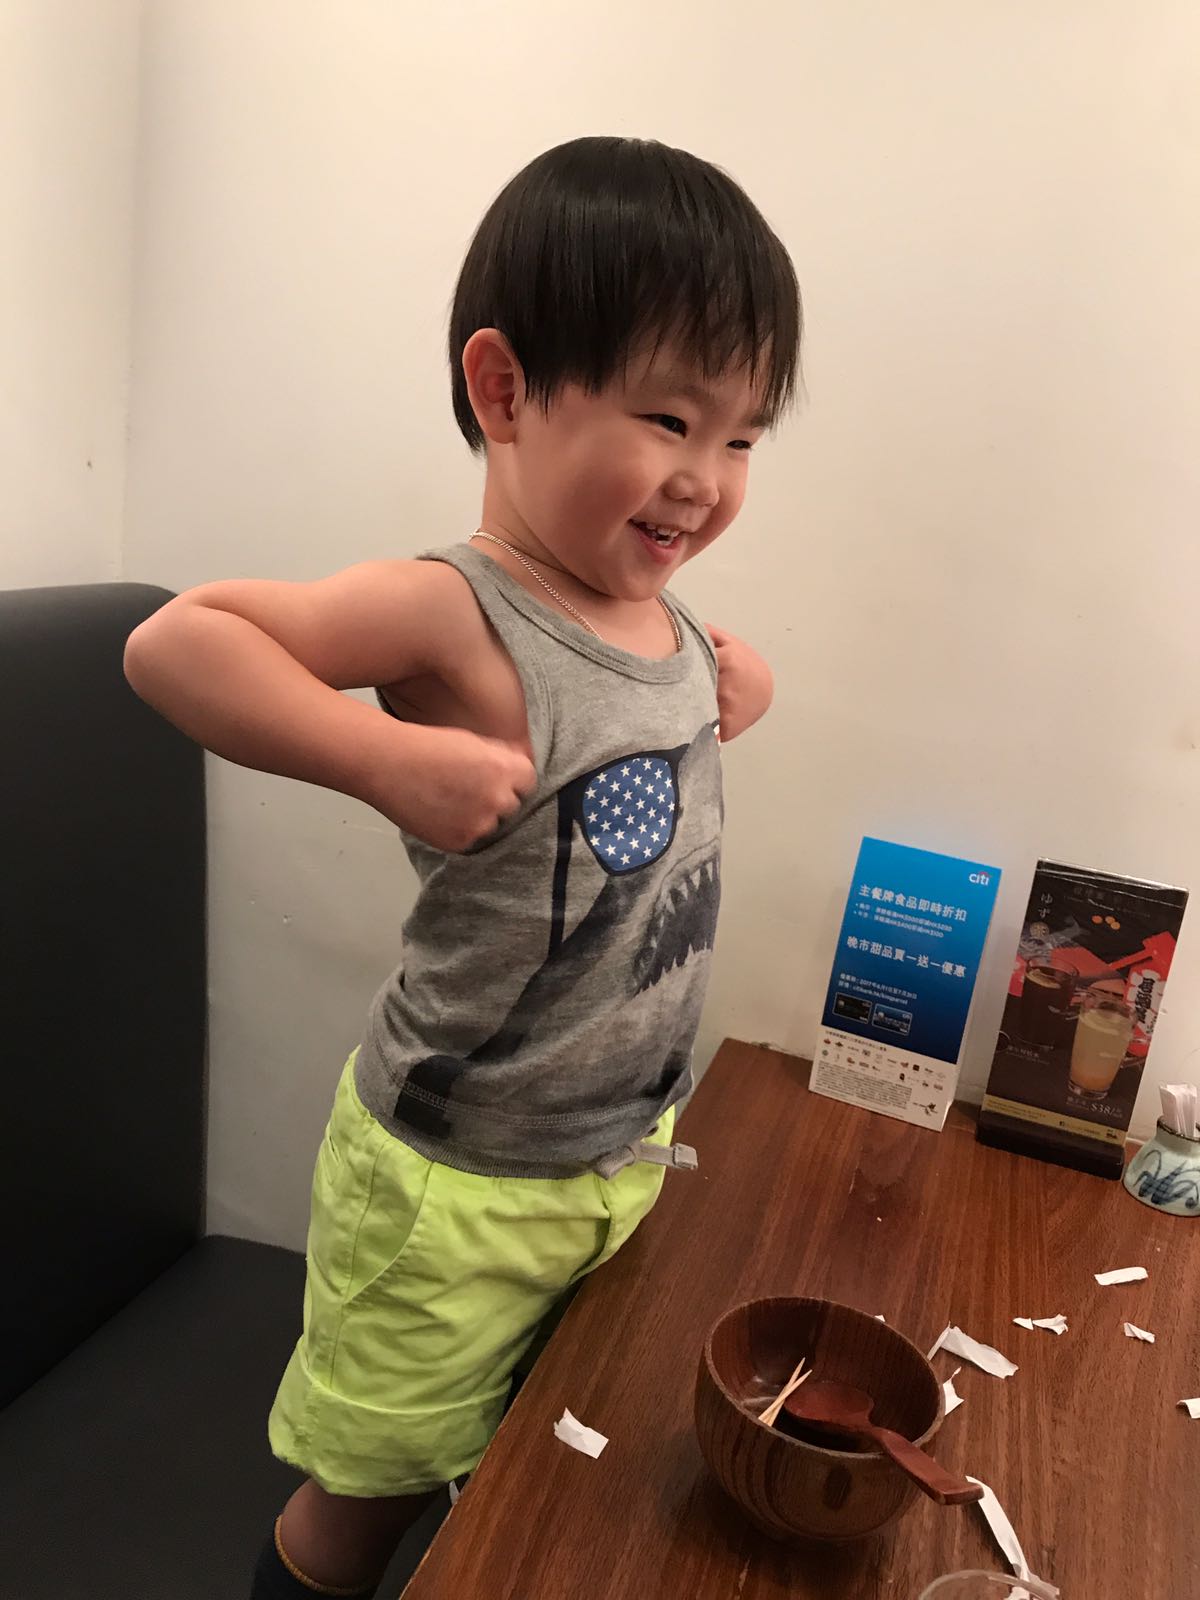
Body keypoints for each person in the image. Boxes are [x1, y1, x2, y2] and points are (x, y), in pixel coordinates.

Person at [124, 134, 802, 1599]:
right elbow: (176, 642)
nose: (704, 480)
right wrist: (374, 755)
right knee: (363, 1500)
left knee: (513, 1477)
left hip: (613, 1160)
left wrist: (732, 682)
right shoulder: (458, 611)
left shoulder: (670, 623)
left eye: (743, 438)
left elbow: (664, 713)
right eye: (669, 418)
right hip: (451, 1185)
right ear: (503, 391)